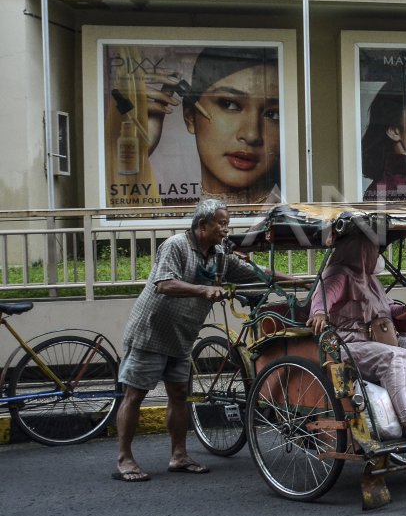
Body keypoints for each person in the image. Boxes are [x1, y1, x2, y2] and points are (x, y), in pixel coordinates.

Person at [113, 198, 296, 482]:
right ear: (202, 225)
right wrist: (203, 290)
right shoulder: (176, 245)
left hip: (182, 336)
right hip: (151, 332)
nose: (226, 229)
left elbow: (255, 273)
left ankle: (179, 455)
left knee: (178, 396)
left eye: (227, 224)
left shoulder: (220, 254)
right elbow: (164, 284)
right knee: (134, 395)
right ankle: (125, 459)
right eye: (221, 223)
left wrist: (298, 281)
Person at [305, 229, 406, 442]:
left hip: (379, 337)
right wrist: (320, 313)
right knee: (391, 357)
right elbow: (323, 297)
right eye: (373, 249)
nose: (376, 254)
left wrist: (403, 310)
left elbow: (385, 307)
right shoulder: (338, 274)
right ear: (360, 249)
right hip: (350, 344)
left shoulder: (369, 278)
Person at [146, 47, 282, 205]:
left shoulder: (293, 221)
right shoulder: (166, 213)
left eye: (273, 115)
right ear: (190, 116)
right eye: (229, 104)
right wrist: (137, 156)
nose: (252, 135)